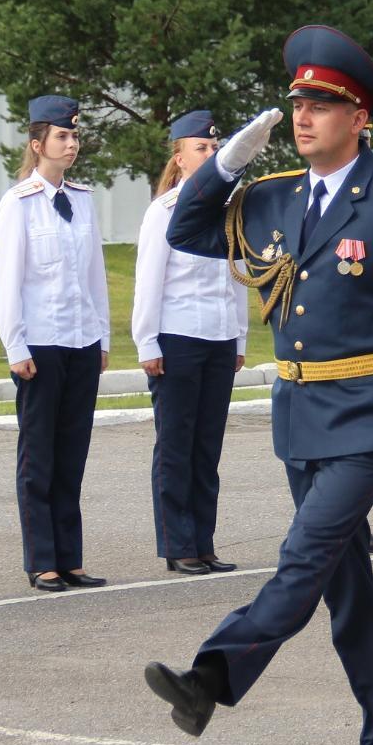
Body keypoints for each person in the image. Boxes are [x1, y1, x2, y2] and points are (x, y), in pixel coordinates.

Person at [144, 25, 373, 745]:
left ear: (360, 119)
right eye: (298, 103)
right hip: (301, 414)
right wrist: (224, 165)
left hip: (370, 418)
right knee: (345, 589)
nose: (304, 115)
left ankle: (211, 677)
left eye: (324, 104)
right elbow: (185, 229)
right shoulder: (272, 195)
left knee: (302, 559)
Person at [0, 97, 112, 593]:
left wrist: (102, 334)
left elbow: (95, 276)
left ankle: (71, 558)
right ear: (37, 144)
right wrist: (15, 345)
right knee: (39, 456)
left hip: (81, 340)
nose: (71, 144)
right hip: (40, 344)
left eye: (75, 136)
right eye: (62, 136)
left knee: (72, 454)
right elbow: (8, 282)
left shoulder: (82, 199)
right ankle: (42, 559)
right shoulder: (17, 202)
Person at [133, 110, 248, 577]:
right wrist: (146, 342)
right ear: (179, 158)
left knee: (208, 447)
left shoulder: (230, 208)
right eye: (200, 148)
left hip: (219, 337)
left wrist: (239, 336)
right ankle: (179, 545)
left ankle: (204, 542)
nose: (209, 155)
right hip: (177, 338)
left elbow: (237, 275)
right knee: (177, 446)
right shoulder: (164, 211)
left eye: (213, 148)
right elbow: (148, 281)